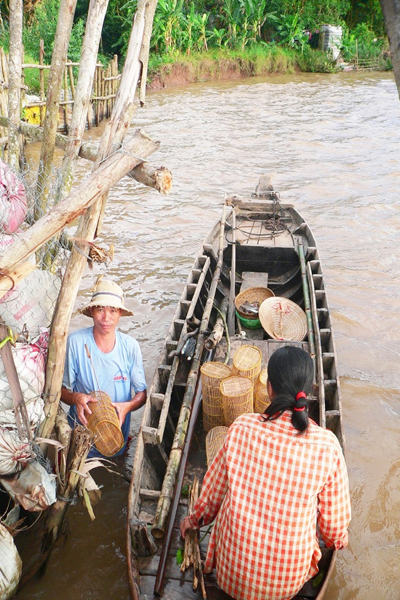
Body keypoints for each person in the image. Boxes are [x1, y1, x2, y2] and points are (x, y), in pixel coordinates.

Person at [180, 345, 351, 600]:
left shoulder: (241, 428)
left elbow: (211, 498)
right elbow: (333, 532)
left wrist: (191, 521)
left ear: (269, 388)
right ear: (310, 391)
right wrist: (339, 539)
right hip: (286, 585)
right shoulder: (327, 446)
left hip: (230, 576)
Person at [61, 279, 147, 458]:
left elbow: (142, 393)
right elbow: (61, 391)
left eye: (112, 310)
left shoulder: (130, 346)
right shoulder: (76, 343)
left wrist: (127, 406)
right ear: (92, 311)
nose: (106, 318)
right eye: (100, 309)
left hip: (115, 438)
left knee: (116, 465)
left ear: (120, 313)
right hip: (81, 439)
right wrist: (76, 397)